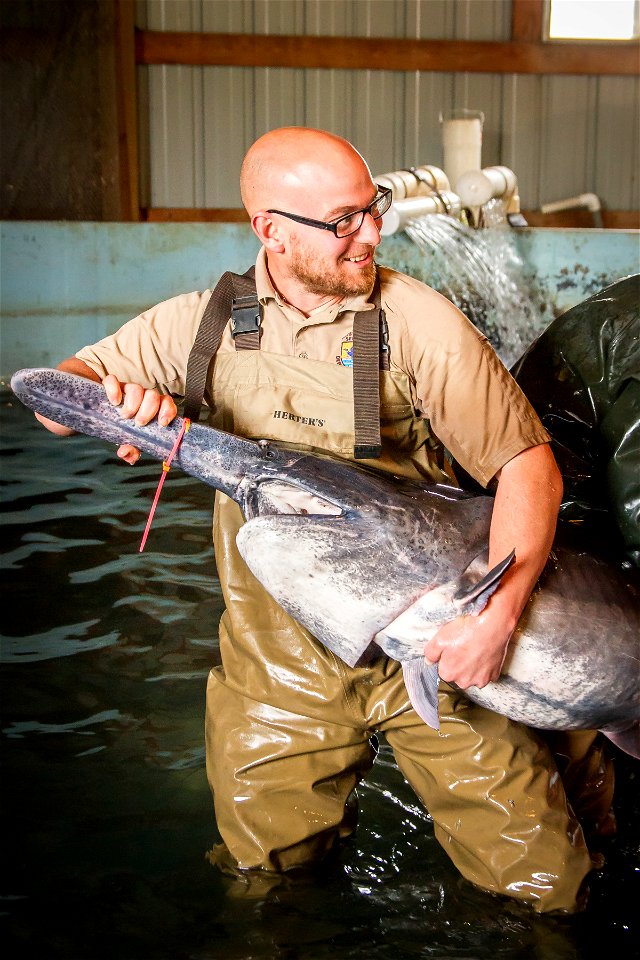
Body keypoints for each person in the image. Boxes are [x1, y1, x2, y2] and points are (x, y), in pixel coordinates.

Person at [37, 127, 599, 912]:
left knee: (550, 890)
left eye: (374, 209)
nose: (370, 233)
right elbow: (58, 398)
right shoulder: (199, 326)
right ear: (271, 229)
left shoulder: (418, 323)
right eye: (343, 221)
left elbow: (527, 468)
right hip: (278, 666)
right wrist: (117, 401)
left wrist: (496, 620)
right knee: (265, 888)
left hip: (434, 647)